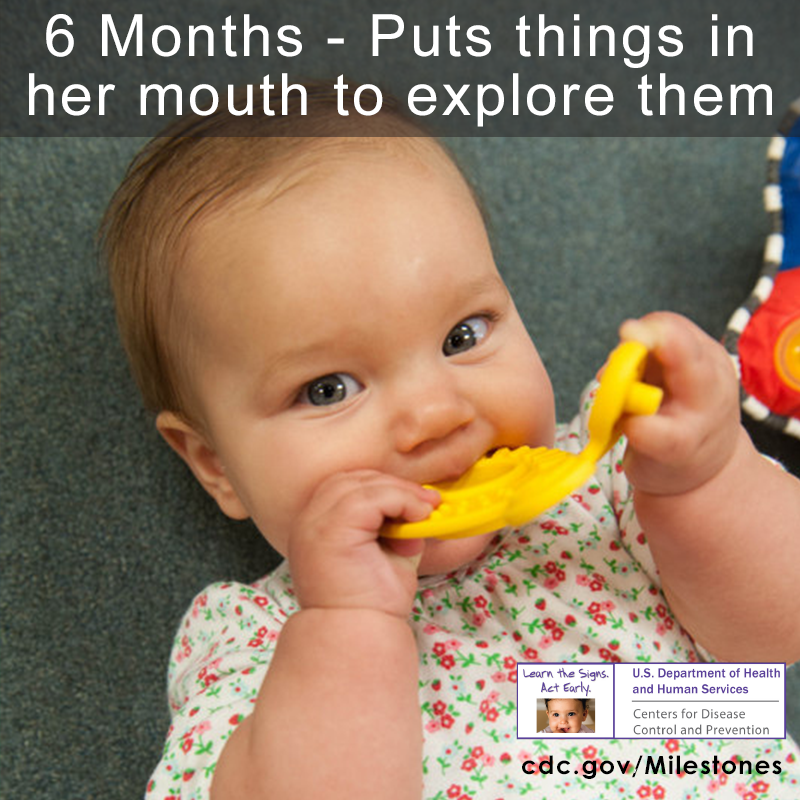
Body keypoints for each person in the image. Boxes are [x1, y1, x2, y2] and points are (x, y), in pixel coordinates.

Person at [100, 82, 800, 800]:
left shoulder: (616, 484)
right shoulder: (254, 645)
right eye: (328, 389)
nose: (436, 413)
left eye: (463, 336)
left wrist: (706, 476)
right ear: (216, 466)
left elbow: (774, 642)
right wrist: (349, 626)